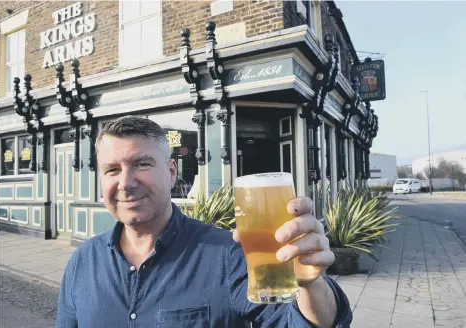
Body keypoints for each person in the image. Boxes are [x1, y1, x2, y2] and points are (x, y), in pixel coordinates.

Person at [56, 116, 352, 327]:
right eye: (111, 170)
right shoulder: (83, 261)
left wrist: (311, 285)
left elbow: (295, 323)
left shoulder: (227, 254)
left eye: (141, 164)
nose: (126, 182)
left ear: (172, 172)